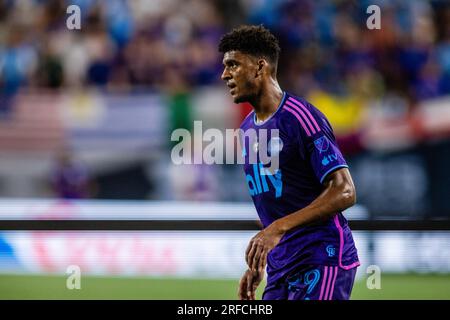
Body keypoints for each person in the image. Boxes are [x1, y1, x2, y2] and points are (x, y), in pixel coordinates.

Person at [218, 25, 360, 300]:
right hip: (280, 266)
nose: (225, 75)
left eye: (233, 64)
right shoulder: (247, 129)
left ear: (260, 67)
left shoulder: (301, 117)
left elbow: (345, 190)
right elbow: (276, 203)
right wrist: (261, 258)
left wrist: (277, 229)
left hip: (322, 257)